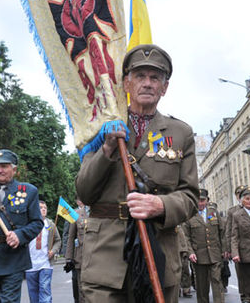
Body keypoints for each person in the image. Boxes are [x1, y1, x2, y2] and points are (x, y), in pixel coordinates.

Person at [75, 44, 199, 303]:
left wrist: (161, 204)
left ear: (164, 87)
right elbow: (84, 192)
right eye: (140, 76)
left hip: (158, 254)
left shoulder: (180, 133)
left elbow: (189, 196)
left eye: (155, 78)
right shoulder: (102, 127)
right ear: (126, 83)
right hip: (105, 256)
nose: (147, 83)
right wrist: (107, 148)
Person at [0, 149, 44, 303]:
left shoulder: (28, 191)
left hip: (13, 259)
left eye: (4, 166)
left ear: (14, 169)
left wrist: (19, 235)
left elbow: (37, 223)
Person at [185, 189, 225, 303]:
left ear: (207, 200)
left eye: (203, 200)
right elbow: (186, 237)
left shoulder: (213, 212)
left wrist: (225, 249)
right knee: (202, 286)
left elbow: (222, 231)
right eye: (198, 200)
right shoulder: (189, 215)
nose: (200, 203)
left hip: (215, 254)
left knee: (217, 281)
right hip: (199, 256)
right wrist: (190, 252)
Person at [25, 200, 61, 303]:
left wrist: (53, 251)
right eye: (40, 207)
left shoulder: (50, 225)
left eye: (45, 208)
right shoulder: (28, 224)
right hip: (30, 265)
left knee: (45, 290)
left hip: (46, 263)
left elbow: (58, 241)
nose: (43, 209)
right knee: (33, 293)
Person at [65, 200, 89, 303]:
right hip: (81, 259)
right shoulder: (76, 214)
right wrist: (69, 258)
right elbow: (71, 237)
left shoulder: (100, 211)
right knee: (82, 291)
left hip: (98, 259)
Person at [177, 224, 193, 298]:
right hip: (175, 250)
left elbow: (185, 239)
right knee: (176, 271)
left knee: (185, 270)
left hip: (183, 250)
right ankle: (177, 290)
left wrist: (186, 251)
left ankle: (186, 289)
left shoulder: (183, 225)